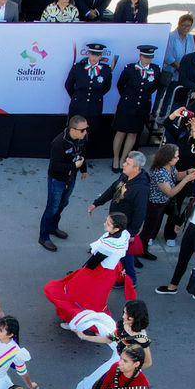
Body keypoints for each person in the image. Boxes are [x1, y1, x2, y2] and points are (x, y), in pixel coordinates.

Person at [44, 213, 135, 324]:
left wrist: (83, 272)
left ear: (116, 228)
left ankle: (75, 320)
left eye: (108, 223)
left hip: (99, 272)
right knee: (95, 298)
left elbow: (94, 261)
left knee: (79, 295)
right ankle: (84, 318)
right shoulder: (124, 234)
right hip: (110, 271)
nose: (105, 224)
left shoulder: (109, 245)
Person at [39, 117, 89, 251]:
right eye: (83, 130)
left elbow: (82, 154)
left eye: (86, 129)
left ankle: (53, 227)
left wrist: (83, 169)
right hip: (57, 180)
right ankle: (43, 237)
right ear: (73, 130)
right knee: (52, 207)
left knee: (63, 203)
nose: (85, 132)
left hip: (71, 178)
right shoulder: (58, 143)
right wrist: (74, 166)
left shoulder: (82, 138)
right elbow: (55, 167)